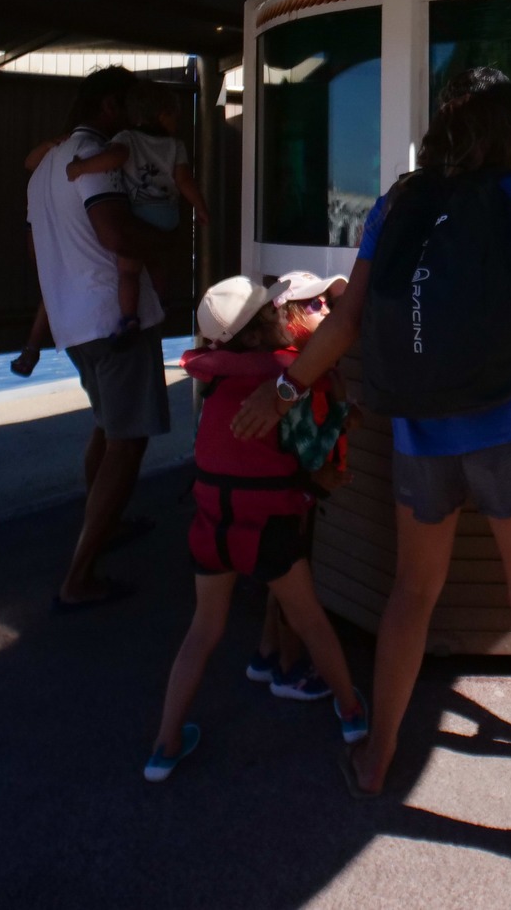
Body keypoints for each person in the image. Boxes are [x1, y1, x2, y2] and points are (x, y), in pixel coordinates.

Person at [235, 68, 511, 868]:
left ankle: (376, 758)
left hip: (422, 438)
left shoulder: (395, 205)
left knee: (410, 595)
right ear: (509, 134)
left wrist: (285, 390)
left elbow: (348, 318)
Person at [144, 277, 366, 781]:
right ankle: (352, 713)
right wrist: (343, 426)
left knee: (202, 631)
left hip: (211, 524)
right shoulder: (281, 385)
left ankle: (164, 744)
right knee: (310, 621)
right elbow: (308, 452)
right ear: (261, 328)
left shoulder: (215, 381)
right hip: (268, 527)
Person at [27, 66, 180, 609]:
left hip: (75, 323)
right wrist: (170, 245)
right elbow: (115, 232)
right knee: (128, 441)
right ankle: (80, 574)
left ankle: (103, 527)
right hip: (115, 319)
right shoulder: (95, 156)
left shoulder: (44, 167)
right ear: (111, 105)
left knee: (106, 427)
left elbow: (43, 253)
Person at [245, 269, 352, 697]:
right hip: (292, 492)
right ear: (284, 320)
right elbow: (306, 449)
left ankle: (266, 651)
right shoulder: (294, 377)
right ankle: (290, 668)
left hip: (282, 493)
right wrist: (346, 413)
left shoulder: (299, 368)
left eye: (327, 302)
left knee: (280, 574)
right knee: (294, 574)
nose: (326, 310)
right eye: (313, 304)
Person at [60, 83, 210, 345]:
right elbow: (184, 180)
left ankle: (129, 318)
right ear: (161, 114)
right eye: (175, 115)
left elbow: (114, 159)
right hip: (168, 217)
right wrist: (200, 206)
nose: (178, 121)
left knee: (128, 273)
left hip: (139, 216)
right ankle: (160, 303)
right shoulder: (175, 145)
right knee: (158, 264)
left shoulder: (127, 138)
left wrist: (80, 167)